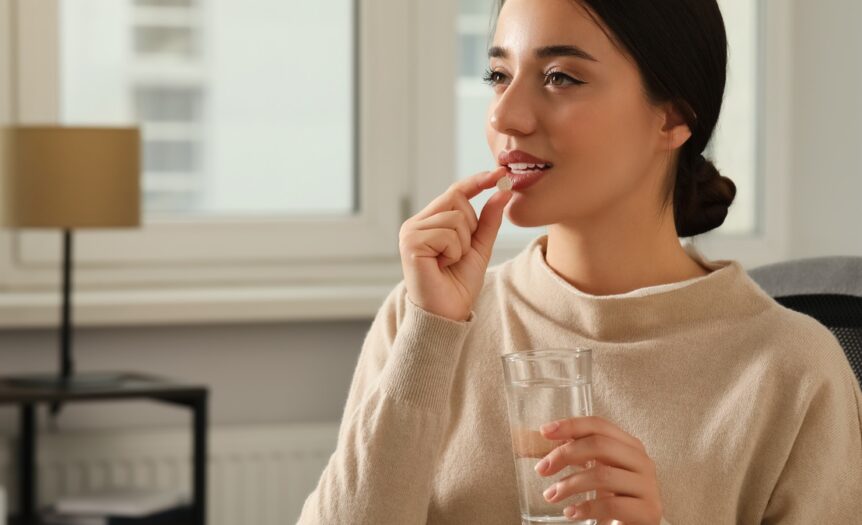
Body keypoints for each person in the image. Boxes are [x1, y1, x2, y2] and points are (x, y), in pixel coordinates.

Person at [297, 0, 862, 523]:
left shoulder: (794, 372)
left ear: (672, 118)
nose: (506, 116)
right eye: (498, 76)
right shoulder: (424, 319)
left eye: (559, 77)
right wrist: (429, 335)